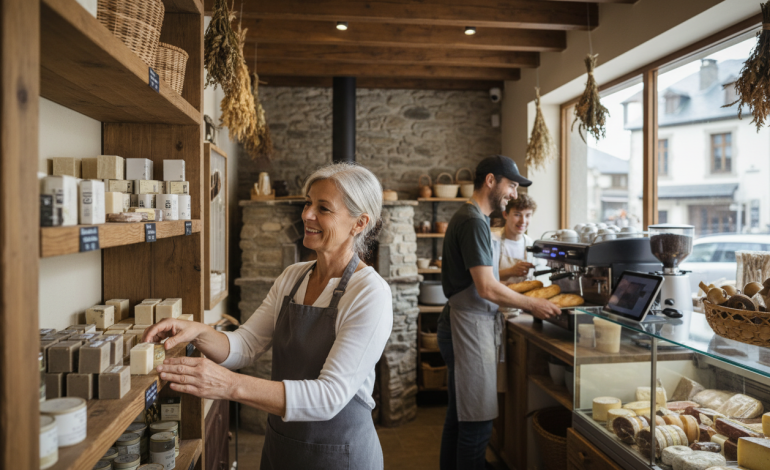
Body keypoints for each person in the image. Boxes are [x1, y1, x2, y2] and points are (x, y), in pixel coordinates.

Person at [144, 163, 393, 469]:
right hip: (282, 448)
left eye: (323, 208)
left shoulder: (370, 293)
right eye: (308, 203)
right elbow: (246, 344)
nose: (307, 215)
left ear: (359, 223)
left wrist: (230, 385)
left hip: (340, 454)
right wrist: (198, 331)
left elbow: (330, 396)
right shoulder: (293, 277)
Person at [438, 155, 560, 470]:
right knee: (476, 420)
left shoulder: (473, 218)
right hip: (467, 326)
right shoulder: (473, 220)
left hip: (466, 322)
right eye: (512, 186)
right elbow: (487, 288)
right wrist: (535, 304)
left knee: (459, 415)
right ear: (491, 180)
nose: (514, 195)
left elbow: (487, 282)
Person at [494, 193, 544, 285]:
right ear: (505, 214)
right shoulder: (493, 241)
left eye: (528, 215)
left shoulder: (531, 244)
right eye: (517, 214)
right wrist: (511, 271)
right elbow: (484, 279)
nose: (523, 221)